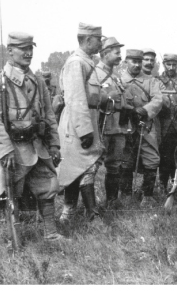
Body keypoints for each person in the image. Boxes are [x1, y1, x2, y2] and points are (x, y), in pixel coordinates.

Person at [0, 31, 63, 240]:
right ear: (10, 51)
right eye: (23, 49)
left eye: (30, 49)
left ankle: (51, 233)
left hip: (37, 144)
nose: (28, 53)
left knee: (48, 185)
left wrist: (54, 144)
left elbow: (48, 115)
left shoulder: (37, 81)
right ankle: (12, 237)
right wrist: (3, 150)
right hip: (14, 149)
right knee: (9, 193)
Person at [58, 23, 107, 222]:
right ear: (87, 40)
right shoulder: (76, 62)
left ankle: (68, 211)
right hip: (77, 122)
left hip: (86, 119)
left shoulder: (87, 61)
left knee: (77, 166)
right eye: (98, 39)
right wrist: (84, 130)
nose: (100, 42)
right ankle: (90, 215)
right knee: (85, 165)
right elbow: (76, 98)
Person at [120, 49, 164, 207]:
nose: (137, 65)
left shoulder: (151, 81)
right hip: (124, 126)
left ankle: (148, 195)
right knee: (125, 160)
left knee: (152, 159)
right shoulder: (119, 80)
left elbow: (158, 99)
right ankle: (125, 195)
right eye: (134, 61)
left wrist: (145, 110)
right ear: (126, 61)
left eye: (139, 61)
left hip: (145, 125)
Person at [95, 37, 130, 208]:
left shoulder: (116, 76)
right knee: (93, 165)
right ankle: (89, 205)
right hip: (102, 126)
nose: (119, 56)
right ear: (105, 53)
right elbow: (90, 98)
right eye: (117, 53)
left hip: (118, 127)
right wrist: (107, 97)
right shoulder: (94, 74)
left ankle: (112, 201)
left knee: (115, 165)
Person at [156, 54, 177, 200]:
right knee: (164, 156)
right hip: (163, 126)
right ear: (164, 64)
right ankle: (162, 184)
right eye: (168, 64)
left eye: (174, 64)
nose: (171, 67)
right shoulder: (157, 81)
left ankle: (175, 183)